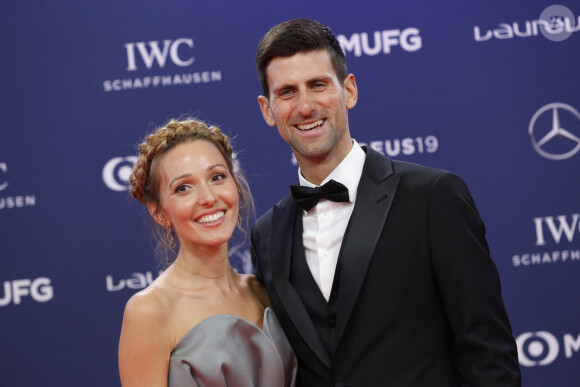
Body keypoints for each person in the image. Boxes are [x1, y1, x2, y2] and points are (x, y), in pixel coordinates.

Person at [251, 18, 521, 386]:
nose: (305, 106)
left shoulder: (432, 196)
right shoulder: (267, 234)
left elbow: (488, 352)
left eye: (318, 85)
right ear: (267, 110)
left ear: (349, 90)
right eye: (287, 92)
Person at [118, 119, 297, 386]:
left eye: (217, 177)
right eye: (183, 188)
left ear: (235, 184)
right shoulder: (149, 310)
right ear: (158, 212)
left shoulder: (263, 290)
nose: (208, 197)